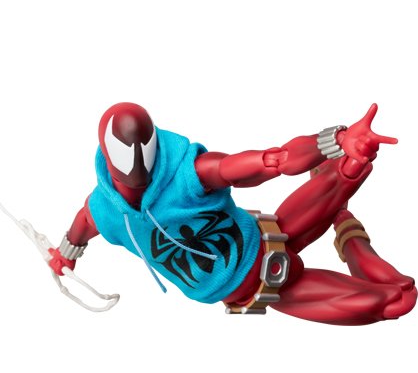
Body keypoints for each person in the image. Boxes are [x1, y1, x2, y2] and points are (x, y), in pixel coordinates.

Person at [48, 102, 417, 325]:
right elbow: (82, 225)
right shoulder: (105, 211)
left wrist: (336, 140)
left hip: (271, 231)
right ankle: (346, 227)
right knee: (397, 300)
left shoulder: (189, 173)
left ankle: (346, 226)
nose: (137, 171)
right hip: (265, 289)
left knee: (348, 169)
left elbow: (273, 160)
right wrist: (65, 254)